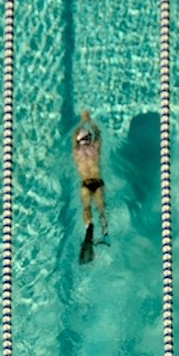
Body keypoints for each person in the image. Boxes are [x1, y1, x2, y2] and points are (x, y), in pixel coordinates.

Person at [72, 111, 109, 264]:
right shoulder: (77, 151)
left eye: (88, 138)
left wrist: (89, 121)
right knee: (87, 208)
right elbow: (75, 134)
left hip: (97, 182)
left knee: (101, 208)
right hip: (86, 184)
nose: (86, 140)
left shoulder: (95, 148)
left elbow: (98, 133)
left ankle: (105, 234)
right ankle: (90, 229)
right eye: (84, 138)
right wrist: (83, 121)